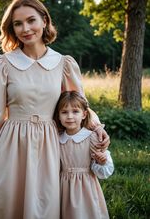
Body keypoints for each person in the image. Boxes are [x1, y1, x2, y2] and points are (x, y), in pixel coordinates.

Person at [0, 0, 110, 219]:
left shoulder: (63, 64)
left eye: (31, 20)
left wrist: (96, 126)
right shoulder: (3, 64)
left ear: (45, 21)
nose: (25, 28)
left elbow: (78, 104)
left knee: (43, 206)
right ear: (12, 29)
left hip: (50, 144)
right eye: (18, 23)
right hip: (11, 145)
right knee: (5, 204)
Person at [53, 91, 114, 219]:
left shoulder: (91, 138)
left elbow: (103, 170)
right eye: (64, 112)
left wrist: (102, 162)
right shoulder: (57, 139)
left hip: (86, 187)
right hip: (63, 186)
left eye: (75, 111)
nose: (70, 116)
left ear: (84, 114)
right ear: (58, 116)